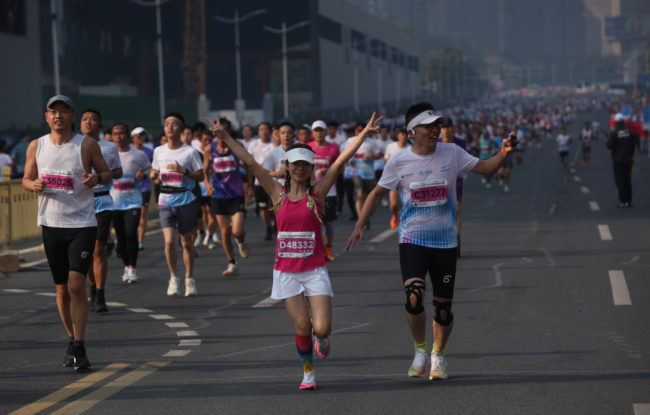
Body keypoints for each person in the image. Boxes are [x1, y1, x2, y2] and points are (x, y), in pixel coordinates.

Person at [208, 111, 383, 390]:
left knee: (321, 328)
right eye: (295, 164)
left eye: (305, 164)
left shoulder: (319, 194)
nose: (300, 168)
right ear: (287, 167)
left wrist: (362, 134)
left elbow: (339, 163)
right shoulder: (277, 194)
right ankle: (308, 372)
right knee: (303, 327)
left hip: (314, 270)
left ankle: (322, 340)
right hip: (286, 272)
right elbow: (250, 161)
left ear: (312, 169)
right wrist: (226, 136)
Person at [346, 102, 517, 381]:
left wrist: (505, 152)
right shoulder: (398, 161)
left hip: (445, 242)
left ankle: (439, 352)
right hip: (412, 238)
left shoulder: (452, 152)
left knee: (443, 308)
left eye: (438, 124)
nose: (437, 129)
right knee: (414, 296)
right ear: (413, 131)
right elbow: (377, 193)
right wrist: (359, 224)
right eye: (430, 125)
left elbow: (486, 168)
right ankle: (420, 349)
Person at [22, 95, 114, 371]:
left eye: (64, 111)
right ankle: (72, 340)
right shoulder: (36, 145)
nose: (59, 115)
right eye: (53, 111)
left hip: (82, 225)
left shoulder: (85, 144)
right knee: (61, 290)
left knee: (76, 285)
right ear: (47, 116)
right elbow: (25, 178)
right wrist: (33, 185)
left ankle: (81, 347)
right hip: (51, 225)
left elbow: (107, 173)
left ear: (73, 116)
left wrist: (96, 178)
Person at [150, 112, 204, 296]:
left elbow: (201, 176)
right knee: (169, 242)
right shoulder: (158, 150)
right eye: (166, 124)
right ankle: (173, 277)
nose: (170, 127)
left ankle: (189, 279)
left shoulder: (190, 151)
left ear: (181, 128)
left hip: (184, 200)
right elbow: (155, 171)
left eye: (174, 124)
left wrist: (184, 171)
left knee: (186, 242)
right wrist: (152, 175)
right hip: (165, 200)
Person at [81, 109, 123, 313]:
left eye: (93, 119)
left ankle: (100, 294)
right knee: (86, 253)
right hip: (80, 203)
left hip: (102, 201)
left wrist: (104, 173)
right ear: (79, 124)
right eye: (85, 119)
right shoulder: (72, 145)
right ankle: (92, 288)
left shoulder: (110, 147)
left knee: (98, 250)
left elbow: (118, 172)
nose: (89, 122)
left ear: (100, 124)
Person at [203, 126, 253, 276]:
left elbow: (249, 164)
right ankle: (232, 263)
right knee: (224, 232)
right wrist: (207, 185)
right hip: (218, 195)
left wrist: (250, 185)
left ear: (228, 133)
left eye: (222, 132)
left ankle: (241, 240)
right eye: (216, 133)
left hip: (236, 194)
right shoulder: (209, 148)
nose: (219, 136)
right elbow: (205, 171)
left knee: (237, 231)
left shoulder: (237, 145)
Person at [111, 123, 151, 283]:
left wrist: (144, 175)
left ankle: (132, 268)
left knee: (130, 233)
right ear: (112, 137)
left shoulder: (138, 154)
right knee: (121, 238)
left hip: (133, 200)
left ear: (128, 136)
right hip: (114, 201)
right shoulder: (109, 155)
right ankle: (126, 266)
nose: (118, 137)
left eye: (121, 133)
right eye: (115, 134)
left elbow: (148, 168)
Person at [308, 120, 341, 260]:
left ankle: (328, 248)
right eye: (316, 130)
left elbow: (341, 168)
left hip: (329, 191)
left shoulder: (333, 149)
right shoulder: (307, 148)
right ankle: (313, 250)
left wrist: (329, 170)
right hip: (310, 191)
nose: (319, 133)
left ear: (326, 131)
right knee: (311, 222)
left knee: (327, 222)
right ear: (312, 132)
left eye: (321, 130)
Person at [342, 123, 379, 229]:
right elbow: (346, 153)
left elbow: (378, 155)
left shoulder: (372, 142)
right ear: (355, 131)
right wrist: (349, 160)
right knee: (359, 195)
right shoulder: (350, 141)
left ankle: (366, 218)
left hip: (368, 173)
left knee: (368, 198)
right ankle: (360, 220)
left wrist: (371, 156)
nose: (360, 132)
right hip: (355, 172)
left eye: (361, 130)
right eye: (358, 130)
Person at [439, 118, 467, 256]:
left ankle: (456, 236)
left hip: (456, 180)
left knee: (456, 209)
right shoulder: (435, 143)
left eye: (448, 127)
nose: (446, 130)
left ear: (453, 129)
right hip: (439, 182)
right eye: (443, 127)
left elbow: (464, 161)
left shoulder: (460, 143)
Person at [606, 113, 639, 208]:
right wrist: (631, 157)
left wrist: (606, 139)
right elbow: (633, 145)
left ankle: (623, 201)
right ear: (623, 122)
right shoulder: (630, 132)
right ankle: (629, 201)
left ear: (616, 123)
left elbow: (609, 146)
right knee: (627, 180)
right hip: (628, 159)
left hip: (617, 160)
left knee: (620, 181)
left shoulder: (614, 134)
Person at [249, 122, 275, 240]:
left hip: (274, 182)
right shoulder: (253, 145)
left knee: (275, 206)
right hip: (259, 182)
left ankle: (275, 224)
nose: (264, 131)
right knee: (263, 207)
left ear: (270, 131)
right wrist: (250, 185)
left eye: (266, 129)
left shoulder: (275, 145)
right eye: (261, 129)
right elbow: (249, 164)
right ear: (258, 132)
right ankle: (268, 227)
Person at [131, 127, 154, 250]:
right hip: (130, 188)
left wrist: (146, 174)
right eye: (139, 135)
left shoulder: (149, 152)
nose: (142, 138)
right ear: (133, 137)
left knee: (143, 212)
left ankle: (140, 240)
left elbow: (153, 168)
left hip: (145, 187)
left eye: (144, 135)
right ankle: (131, 236)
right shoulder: (128, 150)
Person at [384, 127, 410, 228]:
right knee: (393, 205)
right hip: (394, 179)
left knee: (406, 204)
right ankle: (395, 214)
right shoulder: (390, 146)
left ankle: (406, 221)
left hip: (407, 180)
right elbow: (385, 159)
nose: (404, 136)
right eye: (401, 134)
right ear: (398, 135)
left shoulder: (410, 148)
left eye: (406, 134)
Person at [373, 125, 390, 207]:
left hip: (387, 166)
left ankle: (384, 198)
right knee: (378, 183)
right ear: (380, 133)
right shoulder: (376, 142)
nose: (384, 133)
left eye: (386, 131)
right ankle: (378, 197)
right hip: (377, 166)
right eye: (382, 131)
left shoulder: (391, 142)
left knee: (385, 183)